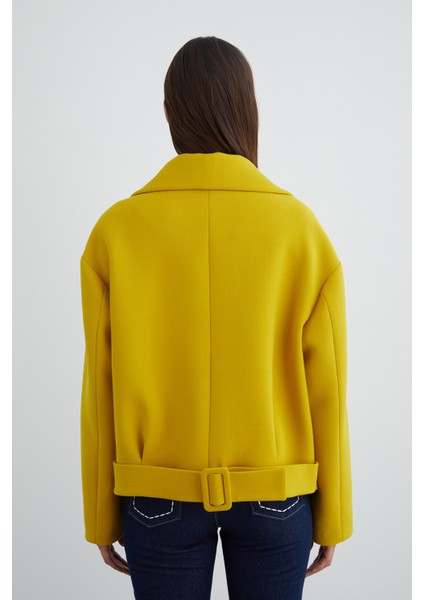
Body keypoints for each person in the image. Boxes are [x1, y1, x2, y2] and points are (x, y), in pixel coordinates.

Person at [79, 36, 353, 599]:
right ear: (249, 111)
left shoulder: (116, 232)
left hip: (157, 497)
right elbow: (327, 386)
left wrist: (100, 516)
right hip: (277, 496)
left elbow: (101, 387)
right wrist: (334, 516)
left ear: (168, 114)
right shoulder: (300, 230)